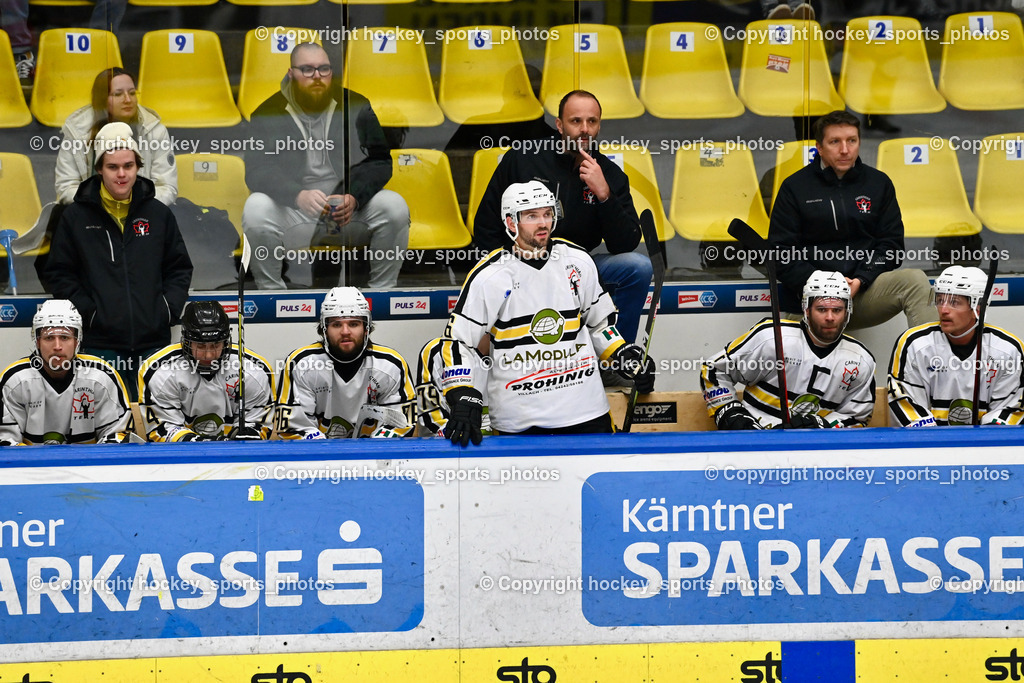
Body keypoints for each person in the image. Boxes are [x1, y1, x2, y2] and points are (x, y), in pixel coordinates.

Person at [442, 181, 655, 443]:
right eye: (532, 216)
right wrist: (463, 392)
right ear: (511, 222)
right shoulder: (490, 276)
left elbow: (600, 326)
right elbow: (458, 344)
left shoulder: (577, 261)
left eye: (547, 214)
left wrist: (623, 354)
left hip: (587, 413)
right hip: (520, 422)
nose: (543, 223)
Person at [472, 90, 652, 345]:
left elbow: (625, 243)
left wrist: (604, 195)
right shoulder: (523, 158)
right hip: (520, 264)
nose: (585, 129)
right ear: (559, 124)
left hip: (577, 268)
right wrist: (508, 268)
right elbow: (486, 225)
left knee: (638, 267)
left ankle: (615, 361)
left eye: (592, 121)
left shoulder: (608, 174)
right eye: (576, 121)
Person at [44, 121, 193, 401]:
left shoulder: (158, 214)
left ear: (138, 166)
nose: (122, 174)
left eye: (129, 166)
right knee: (105, 427)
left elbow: (179, 268)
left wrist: (166, 310)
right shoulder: (76, 217)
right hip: (100, 346)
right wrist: (91, 314)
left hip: (155, 344)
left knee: (156, 423)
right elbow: (60, 274)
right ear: (99, 169)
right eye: (113, 167)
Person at [243, 42, 409, 290]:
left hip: (348, 211)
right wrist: (296, 195)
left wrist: (354, 196)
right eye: (307, 70)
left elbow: (379, 160)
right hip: (297, 212)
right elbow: (258, 169)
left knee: (394, 206)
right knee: (255, 208)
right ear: (291, 73)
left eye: (323, 69)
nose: (317, 76)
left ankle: (382, 293)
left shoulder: (355, 106)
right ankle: (272, 295)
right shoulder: (268, 113)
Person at [768, 110, 934, 330]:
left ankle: (931, 360)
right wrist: (824, 282)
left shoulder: (878, 183)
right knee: (837, 360)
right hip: (813, 301)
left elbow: (891, 246)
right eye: (835, 142)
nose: (845, 150)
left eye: (852, 141)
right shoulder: (794, 187)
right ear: (819, 147)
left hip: (861, 293)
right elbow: (781, 253)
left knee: (915, 281)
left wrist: (861, 279)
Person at [700, 271, 876, 429]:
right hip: (754, 443)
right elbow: (714, 369)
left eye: (837, 310)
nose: (830, 317)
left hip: (814, 453)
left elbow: (856, 417)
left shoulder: (861, 360)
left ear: (847, 311)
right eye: (821, 309)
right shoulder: (771, 338)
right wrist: (730, 413)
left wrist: (823, 425)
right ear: (807, 310)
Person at [888, 266, 1024, 427]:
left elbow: (1008, 413)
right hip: (928, 447)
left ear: (978, 308)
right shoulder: (914, 344)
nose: (943, 310)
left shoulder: (1008, 350)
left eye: (954, 302)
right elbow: (908, 407)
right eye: (940, 300)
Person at [276, 286, 415, 439]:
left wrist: (372, 452)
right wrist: (328, 454)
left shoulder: (389, 365)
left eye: (354, 324)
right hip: (320, 458)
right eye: (336, 324)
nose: (345, 331)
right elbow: (294, 428)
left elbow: (401, 424)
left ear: (366, 328)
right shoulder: (301, 364)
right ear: (324, 329)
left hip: (374, 458)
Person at [0, 300, 133, 445]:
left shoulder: (100, 376)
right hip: (31, 466)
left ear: (77, 341)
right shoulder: (14, 381)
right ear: (37, 342)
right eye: (49, 338)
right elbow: (5, 442)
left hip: (87, 466)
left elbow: (117, 435)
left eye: (65, 337)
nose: (57, 346)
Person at [138, 301, 275, 442]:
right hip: (182, 457)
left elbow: (258, 425)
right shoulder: (159, 370)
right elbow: (163, 428)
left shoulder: (254, 371)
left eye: (216, 345)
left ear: (226, 341)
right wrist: (196, 442)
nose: (208, 355)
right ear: (186, 342)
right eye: (201, 346)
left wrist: (248, 433)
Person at [55, 68, 177, 207]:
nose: (127, 99)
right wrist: (105, 205)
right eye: (118, 94)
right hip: (90, 212)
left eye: (132, 93)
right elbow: (66, 187)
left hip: (141, 212)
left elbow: (166, 188)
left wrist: (132, 206)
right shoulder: (77, 130)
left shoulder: (154, 130)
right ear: (102, 99)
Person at [415, 336, 492, 437]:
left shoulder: (514, 362)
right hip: (451, 449)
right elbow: (432, 427)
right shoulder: (438, 351)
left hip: (506, 448)